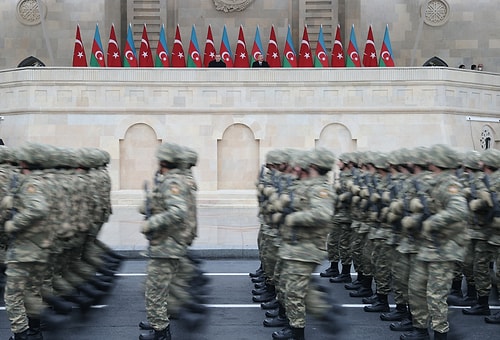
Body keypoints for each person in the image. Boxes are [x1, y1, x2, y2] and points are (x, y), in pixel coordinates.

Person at [138, 142, 195, 340]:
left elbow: (178, 212)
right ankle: (159, 323)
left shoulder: (172, 183)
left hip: (166, 245)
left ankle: (161, 332)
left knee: (154, 290)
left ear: (164, 161)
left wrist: (152, 222)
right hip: (166, 244)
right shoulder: (169, 180)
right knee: (161, 288)